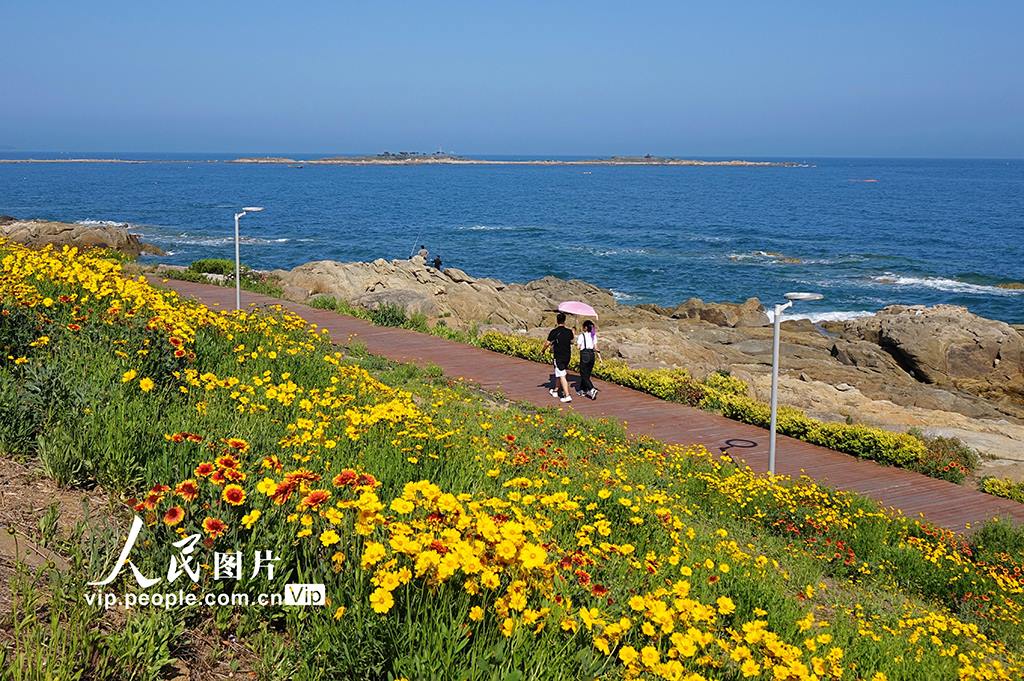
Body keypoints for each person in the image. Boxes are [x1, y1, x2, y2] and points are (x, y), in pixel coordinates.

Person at [541, 312, 574, 402]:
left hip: (558, 356)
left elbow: (547, 343)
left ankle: (567, 395)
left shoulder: (554, 332)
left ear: (557, 320)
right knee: (559, 372)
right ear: (565, 320)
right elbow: (572, 341)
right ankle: (555, 390)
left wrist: (543, 350)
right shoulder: (569, 331)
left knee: (562, 375)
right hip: (567, 356)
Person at [576, 319, 601, 399]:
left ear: (585, 328)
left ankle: (592, 389)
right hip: (592, 355)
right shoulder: (593, 336)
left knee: (583, 374)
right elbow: (596, 348)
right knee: (587, 374)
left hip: (585, 355)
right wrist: (600, 359)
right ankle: (582, 390)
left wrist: (577, 344)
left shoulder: (582, 336)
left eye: (583, 326)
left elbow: (578, 347)